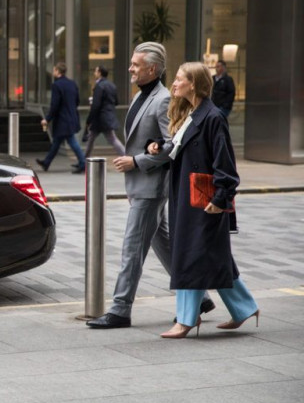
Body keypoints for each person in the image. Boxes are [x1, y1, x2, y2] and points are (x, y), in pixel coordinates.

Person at [87, 42, 215, 329]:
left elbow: (173, 146)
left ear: (152, 69)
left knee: (132, 249)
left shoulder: (163, 100)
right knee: (166, 245)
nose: (130, 68)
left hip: (151, 187)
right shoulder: (139, 96)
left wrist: (137, 162)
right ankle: (201, 297)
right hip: (140, 185)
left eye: (136, 65)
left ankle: (120, 309)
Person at [147, 62, 258, 338]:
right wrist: (159, 145)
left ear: (194, 84)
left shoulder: (213, 117)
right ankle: (244, 308)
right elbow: (180, 149)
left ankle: (186, 319)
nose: (174, 83)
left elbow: (225, 164)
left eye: (179, 79)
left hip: (204, 202)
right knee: (212, 257)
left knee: (191, 256)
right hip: (187, 198)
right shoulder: (192, 114)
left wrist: (220, 198)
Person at [35, 62, 86, 174]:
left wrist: (47, 119)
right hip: (71, 116)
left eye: (54, 70)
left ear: (58, 71)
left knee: (71, 141)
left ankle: (83, 163)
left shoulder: (56, 85)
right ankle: (46, 162)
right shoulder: (72, 83)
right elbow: (77, 100)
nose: (53, 72)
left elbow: (55, 105)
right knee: (57, 142)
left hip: (62, 119)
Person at [82, 65, 126, 160]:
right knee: (92, 138)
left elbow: (96, 105)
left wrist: (89, 119)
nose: (94, 73)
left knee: (111, 139)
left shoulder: (99, 86)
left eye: (96, 71)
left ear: (99, 73)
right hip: (107, 117)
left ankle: (126, 156)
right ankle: (83, 160)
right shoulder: (112, 85)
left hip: (101, 118)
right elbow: (116, 102)